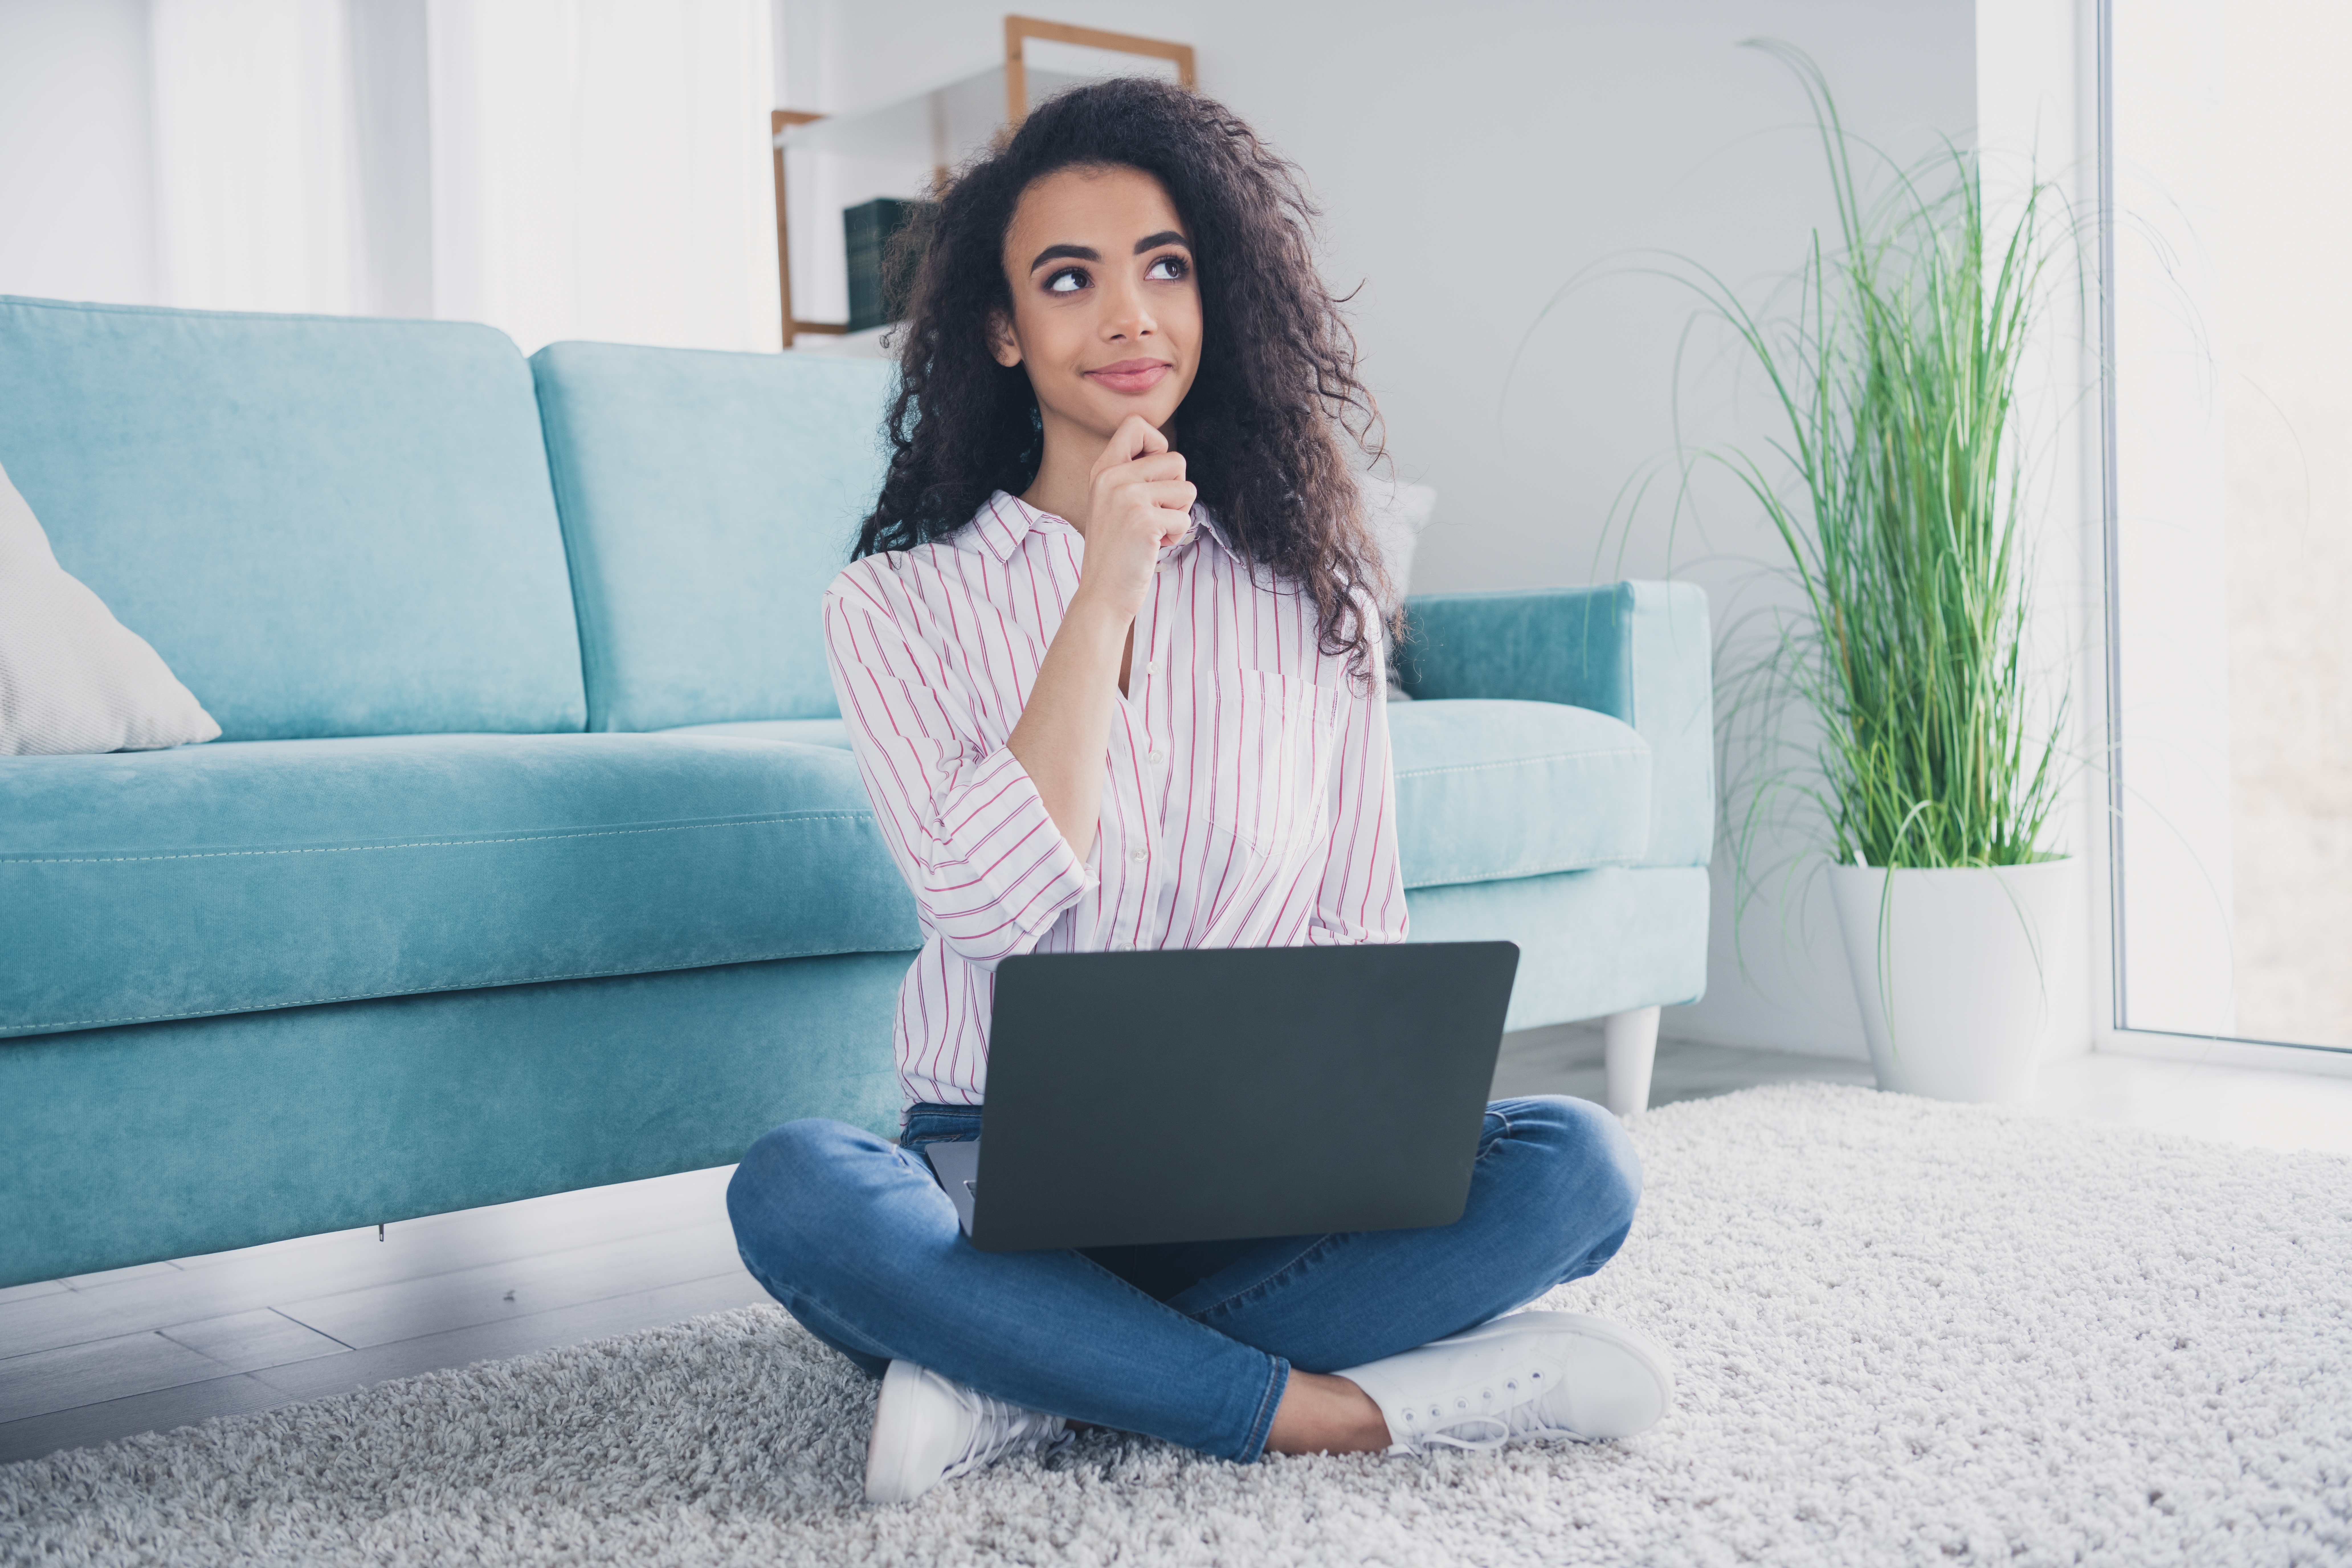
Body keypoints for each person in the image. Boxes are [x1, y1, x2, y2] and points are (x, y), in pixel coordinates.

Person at [726, 77, 1672, 1506]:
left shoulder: (1314, 592)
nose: (1130, 316)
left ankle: (1017, 1383)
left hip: (1275, 1175)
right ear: (1001, 327)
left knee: (1581, 1159)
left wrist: (1368, 1130)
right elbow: (979, 903)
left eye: (1165, 268)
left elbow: (1362, 920)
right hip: (993, 1179)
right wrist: (1102, 589)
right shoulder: (895, 606)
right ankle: (1346, 1411)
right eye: (1070, 279)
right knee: (795, 1187)